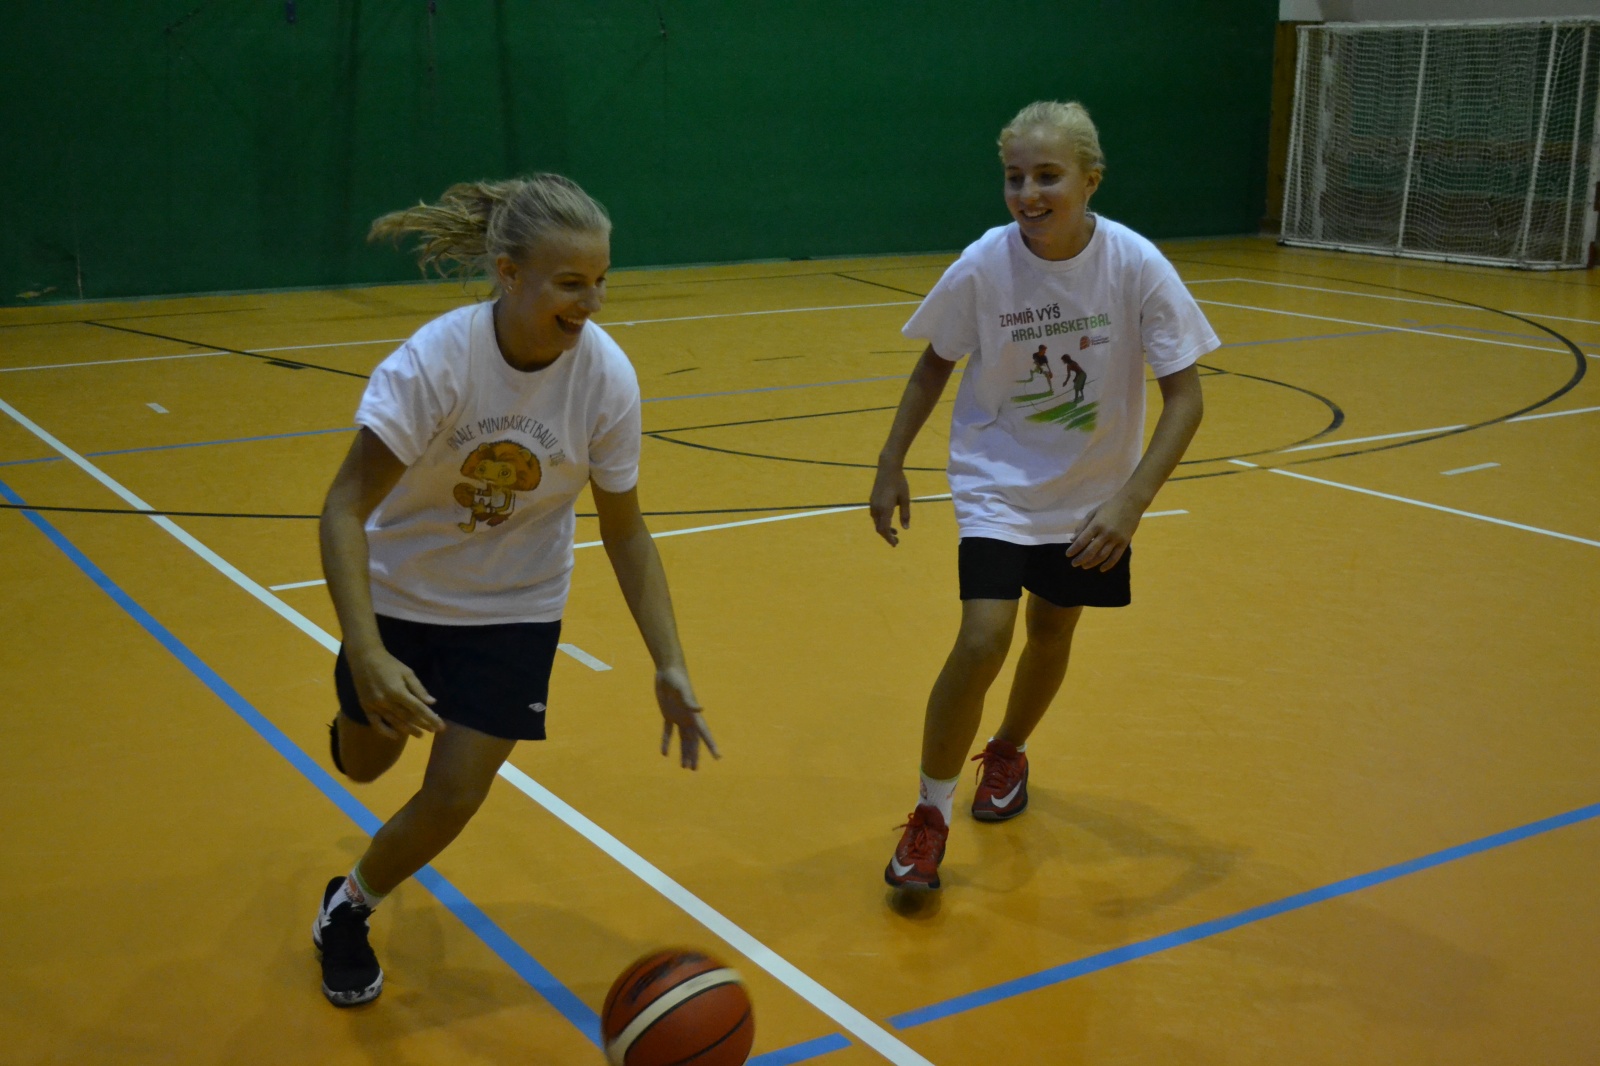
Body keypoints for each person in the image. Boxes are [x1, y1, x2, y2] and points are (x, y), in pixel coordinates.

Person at [311, 174, 718, 1004]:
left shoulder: (605, 378)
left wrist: (670, 662)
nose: (591, 303)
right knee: (366, 765)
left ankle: (349, 907)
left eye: (600, 280)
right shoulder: (436, 363)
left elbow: (626, 531)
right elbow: (344, 508)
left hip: (515, 609)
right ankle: (355, 710)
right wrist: (367, 651)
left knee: (454, 793)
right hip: (402, 596)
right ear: (508, 273)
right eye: (570, 284)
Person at [869, 101, 1215, 891]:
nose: (1027, 193)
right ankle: (929, 815)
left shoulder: (1135, 264)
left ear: (1091, 180)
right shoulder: (985, 264)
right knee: (984, 638)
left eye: (1047, 176)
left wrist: (1130, 502)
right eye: (1014, 177)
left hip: (1094, 493)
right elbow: (935, 362)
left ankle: (1009, 752)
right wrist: (891, 461)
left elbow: (1186, 398)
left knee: (1052, 630)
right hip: (997, 480)